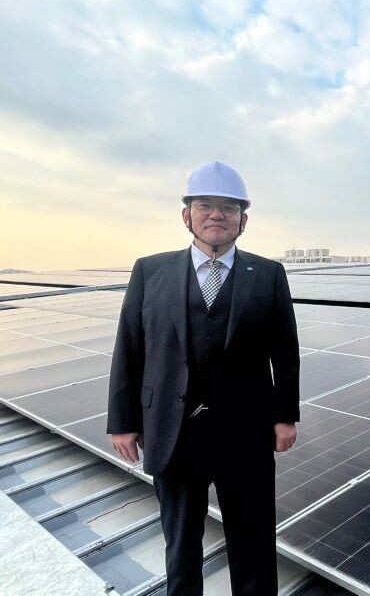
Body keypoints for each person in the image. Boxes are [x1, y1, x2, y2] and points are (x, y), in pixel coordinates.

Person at [107, 161, 300, 596]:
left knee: (253, 543)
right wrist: (122, 421)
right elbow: (129, 348)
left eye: (229, 208)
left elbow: (285, 353)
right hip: (173, 434)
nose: (217, 215)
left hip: (245, 434)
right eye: (205, 206)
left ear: (243, 221)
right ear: (186, 216)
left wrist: (285, 416)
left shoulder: (268, 274)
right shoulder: (149, 271)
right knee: (181, 546)